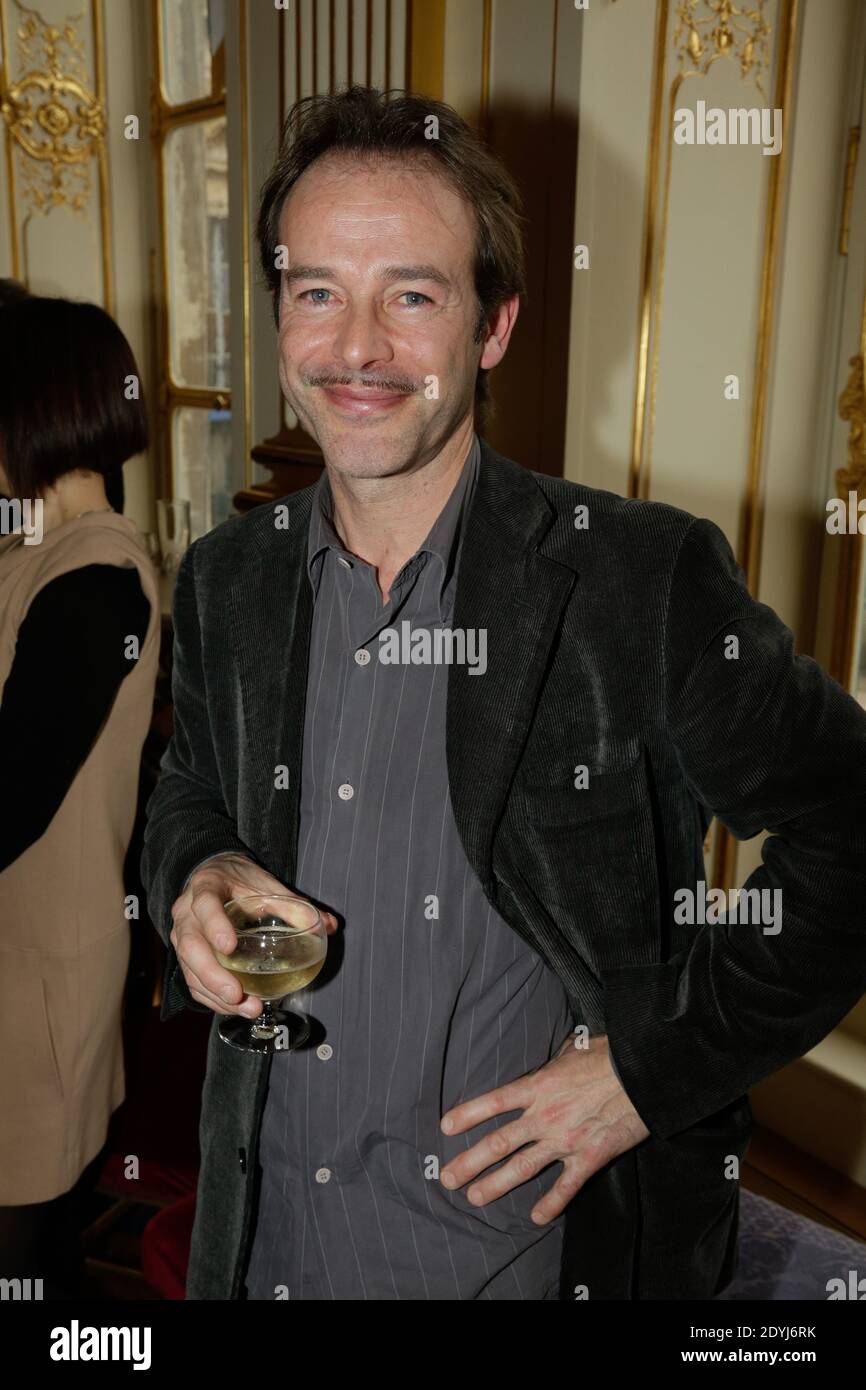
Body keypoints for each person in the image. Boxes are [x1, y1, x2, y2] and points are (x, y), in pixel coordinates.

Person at [142, 86, 866, 1301]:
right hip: (260, 1252)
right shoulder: (228, 580)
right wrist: (196, 867)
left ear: (492, 327)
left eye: (410, 295)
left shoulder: (635, 582)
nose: (356, 347)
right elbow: (188, 786)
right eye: (317, 291)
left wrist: (646, 1070)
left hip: (515, 1266)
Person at [0, 296, 160, 1296]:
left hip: (38, 980)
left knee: (24, 1253)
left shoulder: (98, 580)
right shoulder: (31, 551)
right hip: (22, 960)